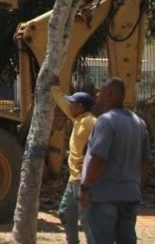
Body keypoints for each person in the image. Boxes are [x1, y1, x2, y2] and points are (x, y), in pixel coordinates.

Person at [80, 77, 152, 244]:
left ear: (109, 94)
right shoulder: (138, 123)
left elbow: (98, 158)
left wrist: (85, 188)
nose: (97, 96)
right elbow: (146, 161)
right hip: (130, 196)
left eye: (100, 92)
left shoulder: (106, 121)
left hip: (104, 197)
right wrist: (136, 185)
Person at [58, 91, 96, 244]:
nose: (69, 106)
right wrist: (54, 88)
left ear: (80, 106)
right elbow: (61, 103)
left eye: (72, 104)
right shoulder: (77, 120)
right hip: (73, 179)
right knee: (65, 212)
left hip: (83, 178)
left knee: (86, 219)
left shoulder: (90, 121)